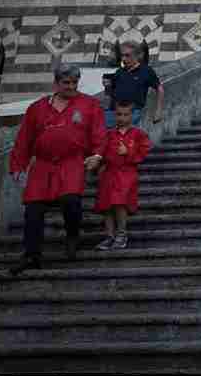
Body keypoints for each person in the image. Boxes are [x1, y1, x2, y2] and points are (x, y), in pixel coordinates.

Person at [8, 65, 107, 275]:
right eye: (66, 83)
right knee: (33, 210)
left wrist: (97, 155)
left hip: (72, 162)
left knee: (71, 200)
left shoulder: (89, 105)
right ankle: (31, 255)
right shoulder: (37, 108)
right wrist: (18, 166)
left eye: (74, 83)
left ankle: (72, 236)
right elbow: (23, 140)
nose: (71, 87)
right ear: (56, 84)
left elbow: (99, 134)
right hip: (42, 166)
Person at [93, 99, 152, 251]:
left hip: (126, 173)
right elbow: (100, 151)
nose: (122, 118)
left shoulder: (139, 134)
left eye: (126, 114)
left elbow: (143, 153)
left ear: (132, 115)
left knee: (119, 202)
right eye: (119, 114)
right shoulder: (109, 134)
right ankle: (109, 235)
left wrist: (128, 153)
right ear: (114, 114)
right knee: (106, 205)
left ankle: (121, 233)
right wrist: (98, 162)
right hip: (109, 173)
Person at [102, 41, 163, 130]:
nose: (124, 59)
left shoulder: (146, 70)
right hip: (113, 112)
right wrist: (107, 86)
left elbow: (160, 89)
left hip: (133, 112)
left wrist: (158, 111)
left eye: (127, 55)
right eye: (122, 55)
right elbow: (110, 93)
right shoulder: (119, 72)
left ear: (136, 56)